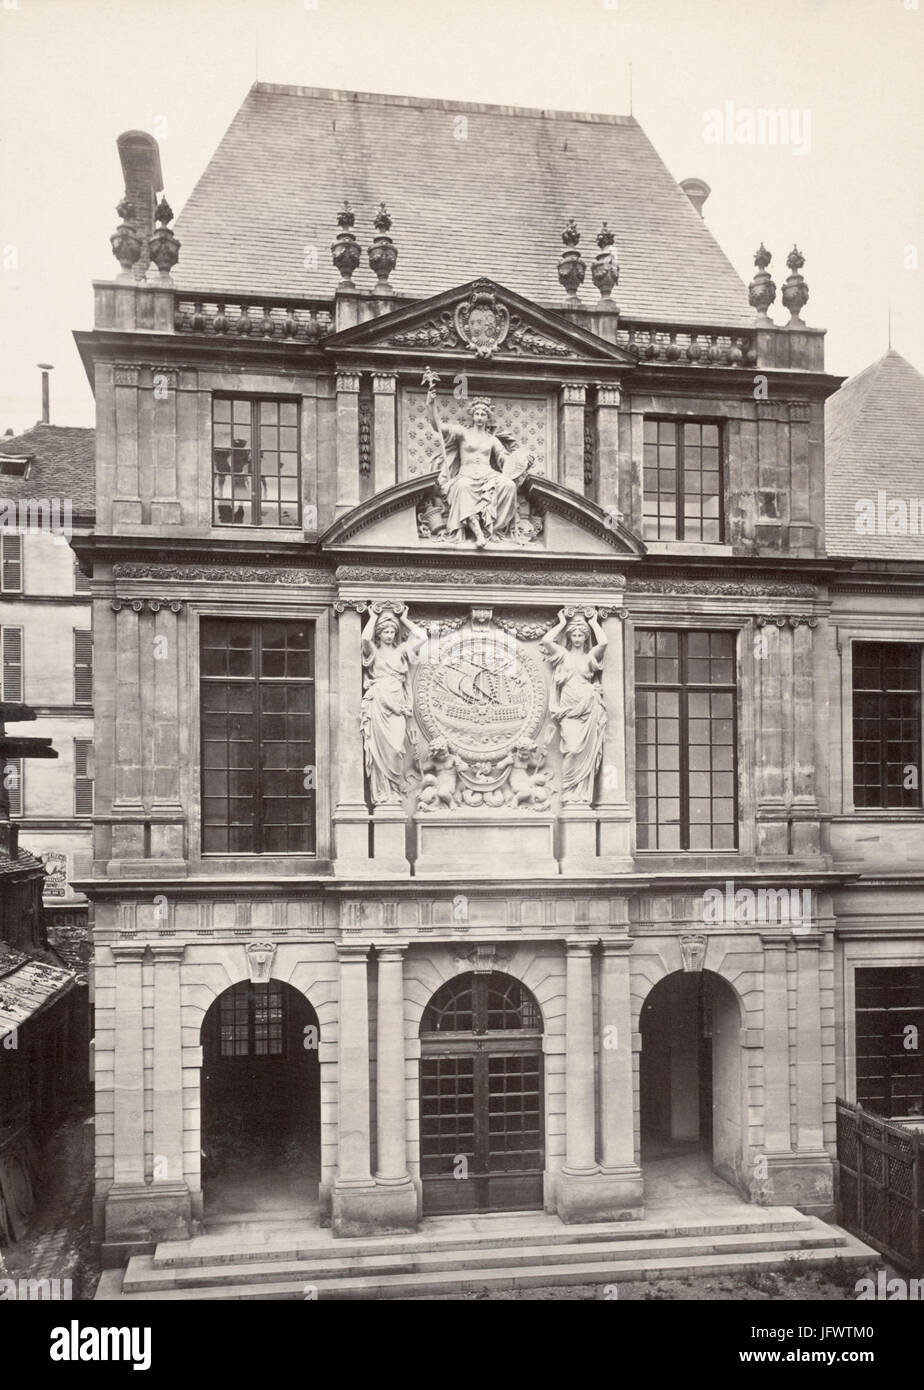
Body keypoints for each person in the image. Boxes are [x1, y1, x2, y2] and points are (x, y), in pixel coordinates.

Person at [425, 386, 521, 547]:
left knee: (509, 485)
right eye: (477, 413)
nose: (479, 417)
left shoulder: (492, 440)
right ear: (472, 415)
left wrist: (520, 461)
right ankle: (478, 533)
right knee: (463, 487)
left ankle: (494, 529)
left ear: (488, 417)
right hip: (466, 475)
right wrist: (430, 405)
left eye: (483, 414)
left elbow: (504, 458)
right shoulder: (463, 433)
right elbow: (438, 427)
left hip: (489, 475)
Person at [359, 604, 427, 804]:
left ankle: (394, 791)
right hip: (379, 702)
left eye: (392, 631)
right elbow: (364, 639)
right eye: (385, 631)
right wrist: (372, 617)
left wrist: (405, 620)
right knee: (380, 751)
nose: (389, 635)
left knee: (397, 749)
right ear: (378, 634)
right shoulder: (374, 652)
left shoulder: (402, 650)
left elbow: (422, 638)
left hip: (397, 702)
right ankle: (383, 795)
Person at [540, 608, 608, 805]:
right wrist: (561, 622)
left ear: (586, 637)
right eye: (574, 634)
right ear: (569, 637)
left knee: (585, 750)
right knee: (571, 749)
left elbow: (603, 642)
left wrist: (594, 622)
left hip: (588, 706)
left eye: (581, 635)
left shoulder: (590, 657)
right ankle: (569, 791)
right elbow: (546, 641)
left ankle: (581, 795)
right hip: (569, 711)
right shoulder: (562, 654)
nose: (577, 638)